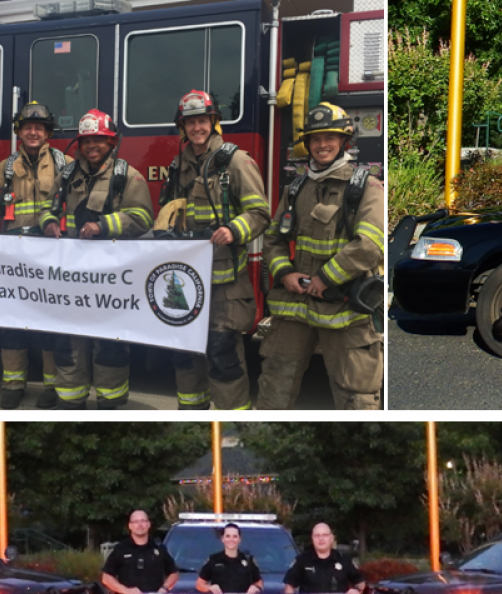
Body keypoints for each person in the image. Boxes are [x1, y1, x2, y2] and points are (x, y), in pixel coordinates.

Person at [256, 102, 385, 410]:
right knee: (274, 388)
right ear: (308, 144)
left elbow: (370, 244)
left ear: (344, 141)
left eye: (330, 138)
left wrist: (326, 278)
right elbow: (273, 238)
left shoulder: (364, 187)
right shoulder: (296, 188)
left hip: (344, 309)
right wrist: (284, 273)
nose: (322, 145)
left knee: (357, 395)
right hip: (295, 308)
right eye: (315, 139)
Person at [160, 90, 270, 410]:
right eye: (190, 122)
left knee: (223, 354)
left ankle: (233, 422)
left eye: (202, 121)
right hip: (185, 278)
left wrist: (234, 229)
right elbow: (168, 211)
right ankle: (191, 416)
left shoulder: (236, 161)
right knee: (186, 352)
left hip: (225, 281)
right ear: (183, 127)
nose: (197, 127)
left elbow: (260, 214)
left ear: (214, 123)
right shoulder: (178, 164)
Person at [39, 109, 152, 410]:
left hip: (110, 276)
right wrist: (48, 222)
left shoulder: (128, 176)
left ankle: (109, 405)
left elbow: (143, 218)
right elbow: (48, 208)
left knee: (110, 345)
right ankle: (70, 402)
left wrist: (104, 226)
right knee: (68, 342)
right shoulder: (67, 174)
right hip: (72, 275)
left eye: (100, 140)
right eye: (87, 140)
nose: (93, 146)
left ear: (112, 142)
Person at [0, 101, 71, 409]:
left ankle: (51, 387)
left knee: (51, 325)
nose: (33, 133)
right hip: (14, 261)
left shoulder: (65, 165)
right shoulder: (5, 169)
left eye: (39, 128)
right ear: (20, 133)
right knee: (13, 325)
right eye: (27, 128)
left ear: (47, 134)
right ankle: (13, 385)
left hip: (51, 259)